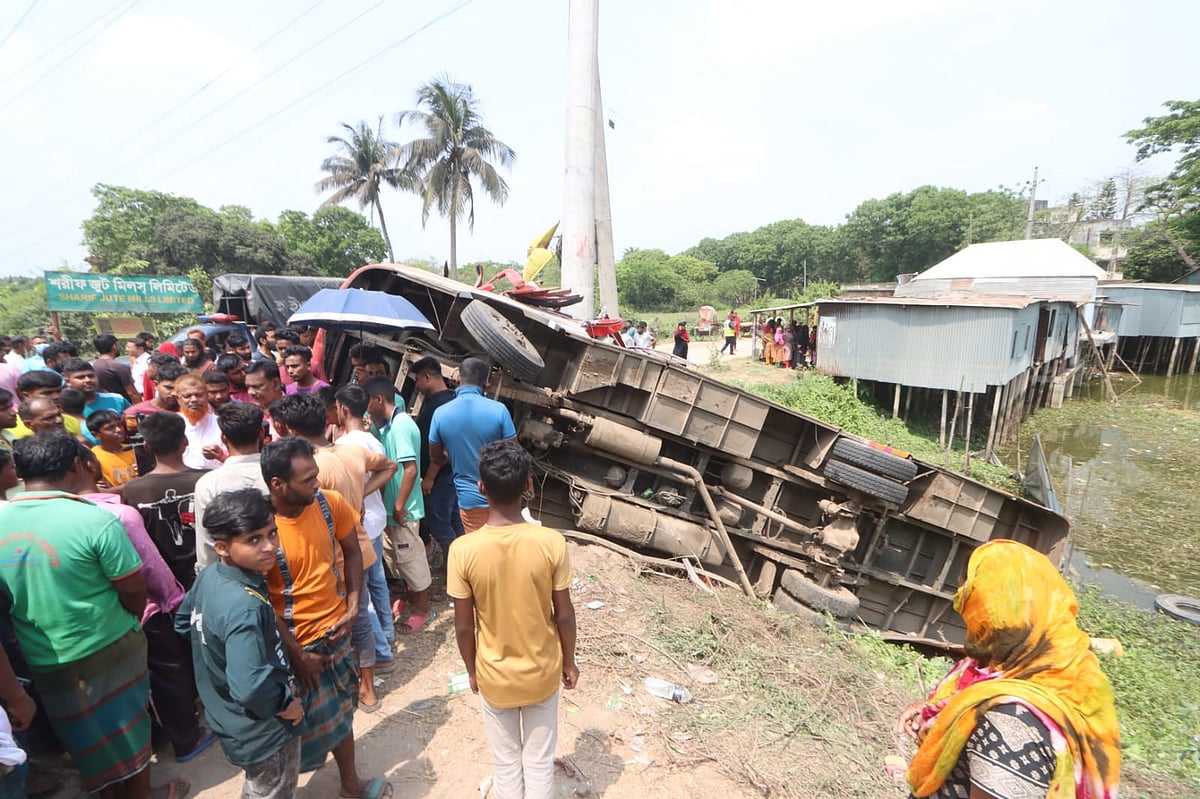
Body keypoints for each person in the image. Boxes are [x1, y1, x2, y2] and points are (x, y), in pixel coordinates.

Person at [0, 431, 186, 799]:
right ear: (74, 466)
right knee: (128, 726)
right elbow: (133, 589)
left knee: (83, 734)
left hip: (44, 654)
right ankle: (142, 795)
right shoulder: (94, 520)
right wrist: (131, 618)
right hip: (109, 646)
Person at [898, 540, 1120, 799]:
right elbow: (963, 696)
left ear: (994, 616)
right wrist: (930, 713)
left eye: (967, 604)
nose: (961, 613)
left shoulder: (1011, 722)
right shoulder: (1066, 673)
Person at [260, 437, 390, 799]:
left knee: (342, 714)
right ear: (277, 484)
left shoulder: (329, 504)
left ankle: (350, 783)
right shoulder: (258, 529)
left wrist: (352, 604)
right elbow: (257, 599)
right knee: (292, 727)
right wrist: (296, 653)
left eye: (315, 475)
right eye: (307, 479)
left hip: (336, 635)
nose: (317, 484)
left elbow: (351, 552)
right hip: (293, 644)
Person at [448, 439, 578, 799]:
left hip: (494, 675)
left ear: (481, 488)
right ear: (529, 485)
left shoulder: (463, 550)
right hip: (541, 672)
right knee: (538, 762)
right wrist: (569, 661)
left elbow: (463, 626)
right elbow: (564, 615)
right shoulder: (551, 542)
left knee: (506, 764)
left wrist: (473, 670)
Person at [80, 446, 213, 767]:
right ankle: (187, 737)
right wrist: (174, 600)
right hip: (147, 611)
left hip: (98, 624)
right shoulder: (120, 515)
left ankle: (156, 733)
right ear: (84, 464)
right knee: (170, 673)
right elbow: (150, 568)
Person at [270, 394, 395, 711]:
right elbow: (390, 466)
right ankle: (369, 681)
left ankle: (359, 685)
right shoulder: (350, 451)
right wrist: (363, 495)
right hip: (360, 543)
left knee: (355, 618)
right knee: (363, 612)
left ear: (289, 430)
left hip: (337, 554)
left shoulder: (310, 471)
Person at [176, 489, 304, 799]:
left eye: (272, 533)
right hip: (263, 729)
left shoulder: (210, 577)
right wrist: (286, 706)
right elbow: (249, 686)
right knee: (271, 790)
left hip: (225, 715)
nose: (270, 546)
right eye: (254, 540)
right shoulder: (244, 606)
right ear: (222, 547)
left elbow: (183, 623)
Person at [364, 378, 435, 635]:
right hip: (393, 507)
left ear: (379, 400)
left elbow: (410, 469)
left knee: (412, 559)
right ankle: (411, 600)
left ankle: (423, 609)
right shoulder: (386, 427)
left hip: (403, 508)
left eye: (368, 403)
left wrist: (399, 505)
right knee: (399, 560)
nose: (366, 408)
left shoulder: (402, 425)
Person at [334, 385, 396, 673]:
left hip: (358, 525)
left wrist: (358, 494)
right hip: (375, 518)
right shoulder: (373, 440)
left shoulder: (347, 447)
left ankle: (381, 651)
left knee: (362, 592)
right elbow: (388, 469)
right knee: (377, 583)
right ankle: (388, 635)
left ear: (343, 409)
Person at [428, 358, 516, 533]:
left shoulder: (440, 414)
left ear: (458, 378)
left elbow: (435, 457)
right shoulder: (500, 411)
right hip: (503, 498)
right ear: (486, 383)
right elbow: (514, 455)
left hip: (470, 501)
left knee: (478, 549)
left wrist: (448, 457)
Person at [123, 412, 206, 589]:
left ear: (146, 446)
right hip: (210, 573)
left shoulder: (133, 490)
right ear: (185, 441)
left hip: (163, 582)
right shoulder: (208, 480)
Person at [194, 402, 271, 572]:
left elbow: (207, 544)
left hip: (236, 576)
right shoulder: (278, 475)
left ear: (223, 438)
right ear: (261, 433)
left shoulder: (208, 484)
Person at [408, 358, 463, 580]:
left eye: (417, 380)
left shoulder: (440, 406)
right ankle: (462, 565)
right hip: (449, 475)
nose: (418, 386)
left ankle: (456, 571)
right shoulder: (451, 400)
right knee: (453, 521)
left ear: (427, 377)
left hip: (440, 476)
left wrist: (429, 477)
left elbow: (443, 447)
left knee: (440, 523)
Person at [10, 370, 84, 438]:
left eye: (58, 391)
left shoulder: (71, 421)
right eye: (47, 393)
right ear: (26, 395)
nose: (56, 397)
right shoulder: (11, 428)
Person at [175, 374, 224, 470]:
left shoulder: (221, 424)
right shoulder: (171, 426)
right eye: (187, 396)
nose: (194, 400)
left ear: (206, 395)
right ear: (178, 399)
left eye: (199, 395)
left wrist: (220, 455)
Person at [62, 357, 131, 417]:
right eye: (81, 377)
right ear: (68, 381)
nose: (88, 380)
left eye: (91, 376)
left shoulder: (117, 400)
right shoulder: (62, 408)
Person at [89, 409, 138, 488]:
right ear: (96, 435)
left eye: (120, 425)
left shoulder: (134, 449)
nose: (118, 430)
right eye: (110, 428)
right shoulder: (94, 456)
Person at [92, 333, 142, 403]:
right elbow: (132, 393)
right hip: (122, 406)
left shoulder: (94, 366)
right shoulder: (119, 367)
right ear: (114, 346)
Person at [245, 360, 285, 435]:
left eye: (256, 387)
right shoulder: (248, 414)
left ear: (275, 384)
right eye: (248, 387)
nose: (250, 392)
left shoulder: (294, 412)